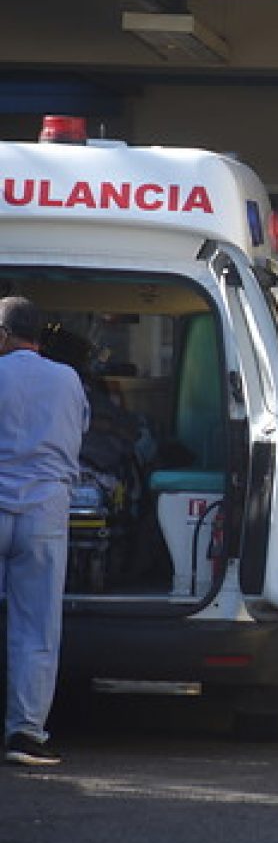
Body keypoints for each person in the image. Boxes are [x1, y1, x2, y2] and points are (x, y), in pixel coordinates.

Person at [0, 296, 89, 766]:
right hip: (45, 512)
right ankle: (26, 734)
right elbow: (80, 431)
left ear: (2, 334)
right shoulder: (68, 379)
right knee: (36, 627)